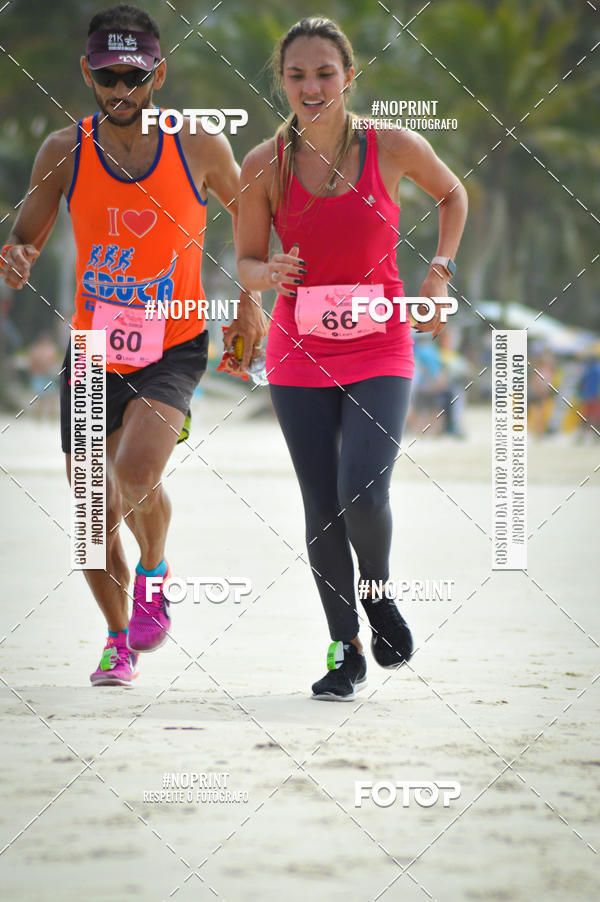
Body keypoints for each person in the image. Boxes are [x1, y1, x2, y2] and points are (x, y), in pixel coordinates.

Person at [0, 3, 265, 687]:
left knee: (138, 473)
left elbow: (252, 224)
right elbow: (26, 234)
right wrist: (18, 256)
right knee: (93, 516)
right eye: (108, 77)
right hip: (93, 350)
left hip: (172, 341)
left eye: (135, 76)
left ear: (159, 74)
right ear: (87, 72)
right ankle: (117, 639)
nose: (121, 90)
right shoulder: (63, 150)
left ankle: (154, 570)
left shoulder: (200, 145)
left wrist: (249, 301)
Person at [237, 17, 468, 700]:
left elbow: (452, 194)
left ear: (349, 76)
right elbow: (246, 262)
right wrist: (268, 271)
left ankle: (378, 593)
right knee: (321, 504)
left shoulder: (392, 146)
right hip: (299, 351)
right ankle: (345, 649)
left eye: (325, 73)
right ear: (281, 81)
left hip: (381, 343)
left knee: (363, 492)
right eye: (297, 75)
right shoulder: (263, 165)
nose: (311, 87)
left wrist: (438, 273)